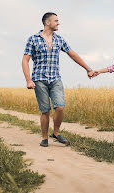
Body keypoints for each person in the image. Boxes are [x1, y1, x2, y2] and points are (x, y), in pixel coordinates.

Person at [22, 12, 95, 147]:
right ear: (47, 23)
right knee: (45, 110)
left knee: (60, 107)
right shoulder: (33, 39)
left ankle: (56, 132)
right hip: (39, 79)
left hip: (55, 78)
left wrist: (88, 69)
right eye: (56, 21)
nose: (58, 23)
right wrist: (28, 80)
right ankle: (44, 138)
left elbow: (73, 55)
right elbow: (25, 60)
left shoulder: (59, 39)